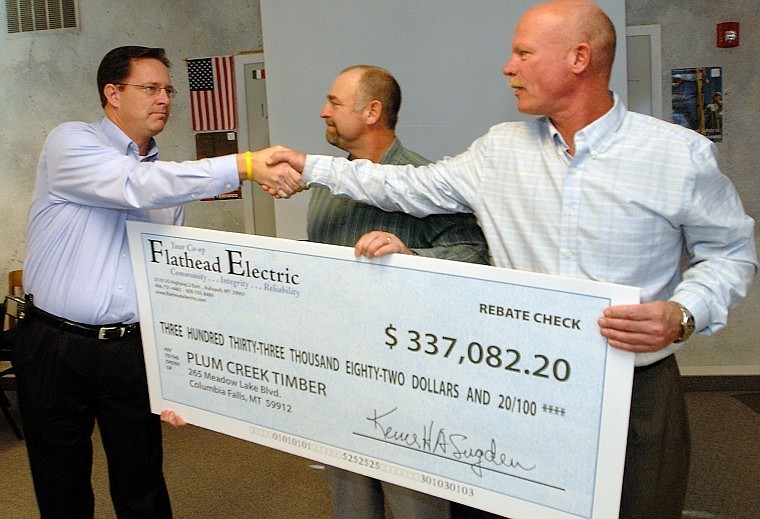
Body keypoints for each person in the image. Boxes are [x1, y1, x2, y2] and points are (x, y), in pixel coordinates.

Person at [265, 1, 758, 518]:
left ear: (578, 59)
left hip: (633, 390)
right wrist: (309, 165)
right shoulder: (498, 151)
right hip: (512, 384)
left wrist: (682, 315)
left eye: (523, 53)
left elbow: (730, 254)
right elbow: (402, 185)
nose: (508, 67)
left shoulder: (676, 154)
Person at [13, 45, 294, 519]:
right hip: (54, 345)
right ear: (112, 94)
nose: (164, 98)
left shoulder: (167, 182)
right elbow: (131, 184)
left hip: (129, 348)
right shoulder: (71, 143)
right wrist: (244, 165)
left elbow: (167, 279)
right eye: (149, 88)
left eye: (168, 89)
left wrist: (179, 374)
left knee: (141, 479)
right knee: (60, 483)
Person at [310, 65, 489, 519]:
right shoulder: (326, 184)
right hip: (340, 366)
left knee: (415, 501)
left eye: (334, 102)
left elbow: (473, 251)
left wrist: (411, 257)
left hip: (406, 375)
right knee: (349, 500)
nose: (322, 112)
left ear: (372, 112)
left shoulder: (428, 179)